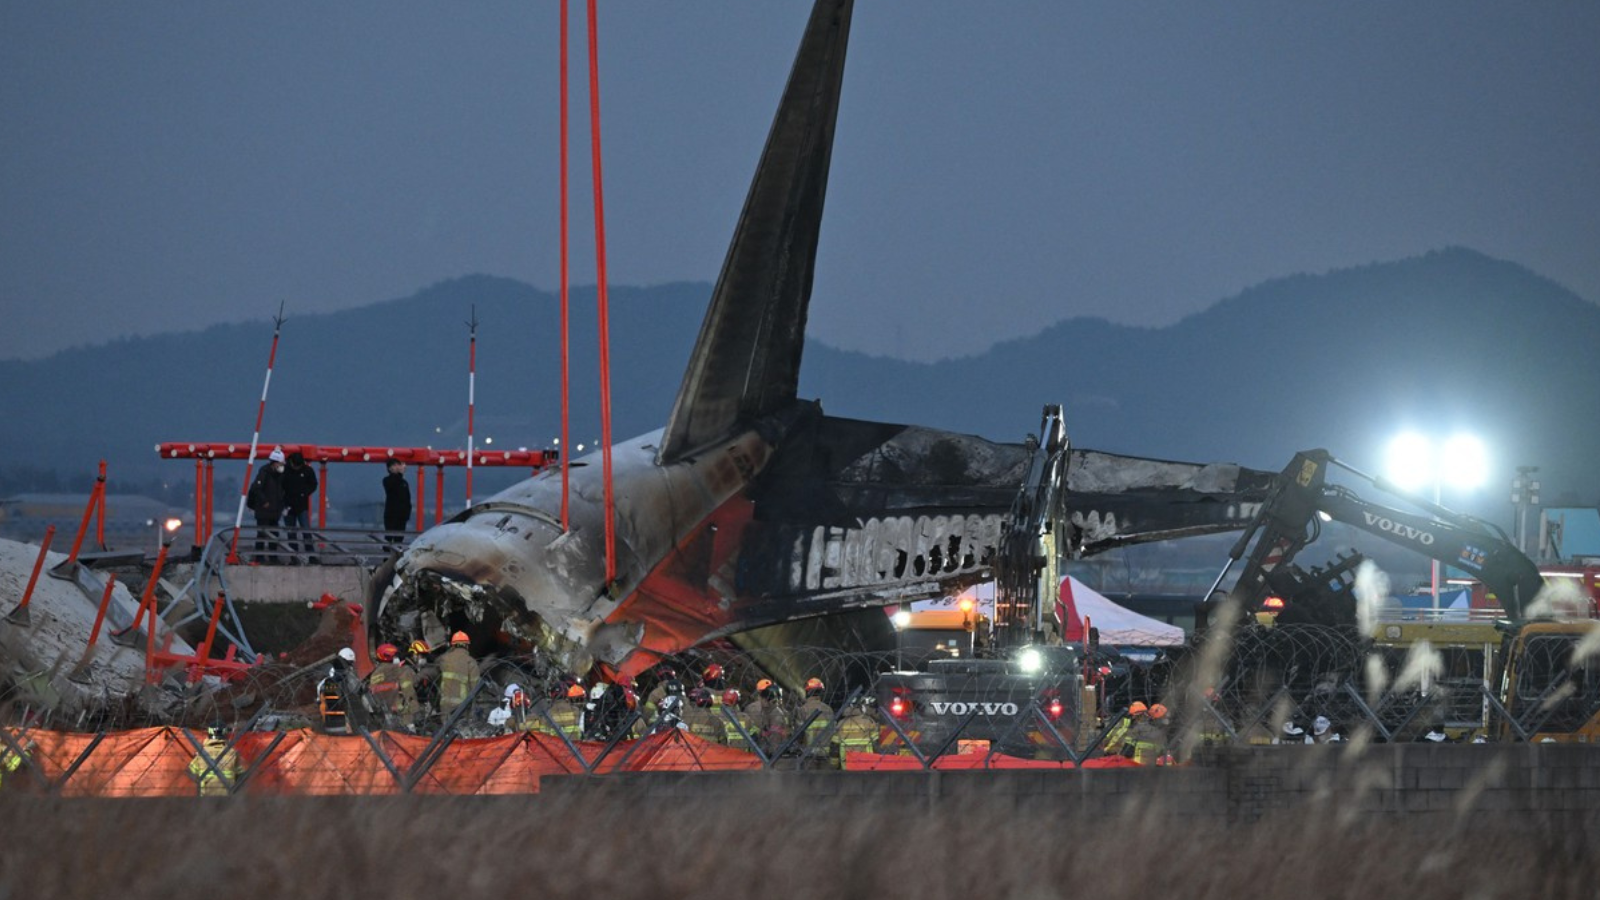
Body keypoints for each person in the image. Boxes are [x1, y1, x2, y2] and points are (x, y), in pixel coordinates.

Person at [246, 448, 288, 563]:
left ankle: (273, 557)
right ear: (275, 463)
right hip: (263, 510)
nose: (282, 465)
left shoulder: (281, 475)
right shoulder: (264, 472)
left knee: (274, 535)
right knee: (262, 534)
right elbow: (256, 488)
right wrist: (264, 501)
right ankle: (259, 557)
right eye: (281, 463)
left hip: (275, 510)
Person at [280, 450, 319, 562]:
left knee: (306, 531)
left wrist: (305, 493)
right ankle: (294, 557)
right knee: (291, 533)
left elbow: (313, 484)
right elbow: (279, 485)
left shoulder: (307, 470)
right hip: (288, 506)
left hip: (302, 506)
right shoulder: (285, 471)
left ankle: (311, 555)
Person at [187, 723, 240, 797]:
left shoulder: (201, 753)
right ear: (225, 735)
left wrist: (202, 783)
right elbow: (241, 775)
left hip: (206, 797)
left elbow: (190, 772)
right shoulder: (233, 753)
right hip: (227, 797)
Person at [365, 643, 410, 729]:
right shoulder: (394, 668)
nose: (395, 658)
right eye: (394, 656)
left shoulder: (375, 673)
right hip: (398, 709)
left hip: (383, 711)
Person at [437, 632, 479, 722]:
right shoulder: (470, 662)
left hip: (444, 705)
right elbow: (475, 689)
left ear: (453, 645)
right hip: (461, 708)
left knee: (445, 732)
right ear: (466, 646)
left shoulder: (444, 659)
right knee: (459, 732)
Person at [793, 677, 835, 764]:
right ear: (821, 693)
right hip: (825, 755)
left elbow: (798, 735)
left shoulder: (803, 710)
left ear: (807, 692)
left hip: (808, 756)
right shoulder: (828, 710)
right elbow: (833, 732)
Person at [318, 647, 359, 734]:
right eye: (348, 663)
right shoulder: (331, 681)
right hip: (334, 718)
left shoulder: (341, 678)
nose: (350, 667)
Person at [834, 695, 880, 769]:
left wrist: (834, 764)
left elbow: (835, 745)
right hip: (866, 763)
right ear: (862, 707)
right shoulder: (869, 722)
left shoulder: (841, 723)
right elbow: (876, 744)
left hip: (846, 764)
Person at [750, 679, 792, 757]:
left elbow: (775, 738)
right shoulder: (768, 711)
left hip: (770, 755)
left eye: (761, 698)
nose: (759, 700)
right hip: (764, 751)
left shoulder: (775, 714)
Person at [382, 457, 411, 545]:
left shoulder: (404, 482)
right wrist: (400, 474)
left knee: (400, 539)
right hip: (391, 515)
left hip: (402, 516)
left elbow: (407, 498)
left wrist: (407, 513)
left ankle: (397, 556)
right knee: (389, 538)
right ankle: (386, 557)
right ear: (389, 468)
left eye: (398, 465)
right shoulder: (387, 480)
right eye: (395, 465)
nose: (398, 467)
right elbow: (393, 484)